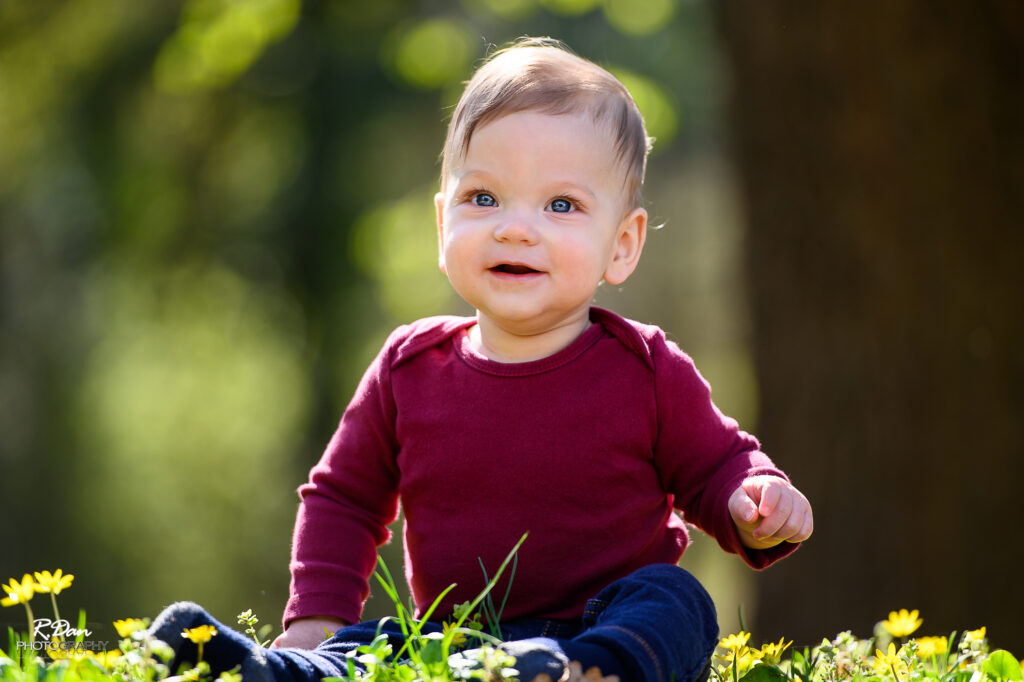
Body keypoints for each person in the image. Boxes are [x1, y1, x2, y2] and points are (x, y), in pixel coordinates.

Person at [148, 37, 813, 682]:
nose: (514, 228)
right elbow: (343, 499)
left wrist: (752, 500)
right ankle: (267, 668)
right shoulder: (409, 369)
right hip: (458, 641)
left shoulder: (646, 368)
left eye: (561, 205)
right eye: (484, 198)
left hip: (603, 623)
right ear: (444, 225)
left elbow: (717, 466)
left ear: (621, 245)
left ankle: (590, 672)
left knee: (676, 599)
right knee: (377, 644)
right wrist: (315, 618)